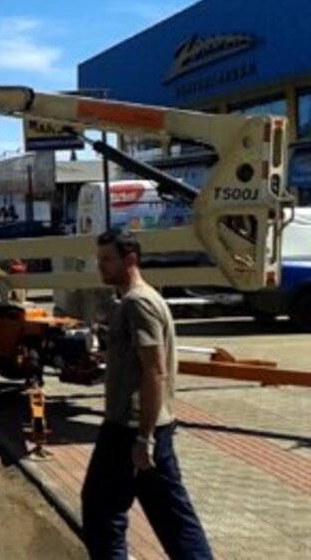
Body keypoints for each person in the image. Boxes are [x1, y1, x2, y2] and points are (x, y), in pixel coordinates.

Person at [82, 229, 212, 559]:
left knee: (102, 511)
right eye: (99, 260)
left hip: (131, 430)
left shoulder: (138, 303)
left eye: (108, 260)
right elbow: (142, 364)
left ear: (131, 260)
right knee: (172, 516)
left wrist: (145, 438)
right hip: (146, 427)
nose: (101, 267)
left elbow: (155, 370)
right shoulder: (140, 300)